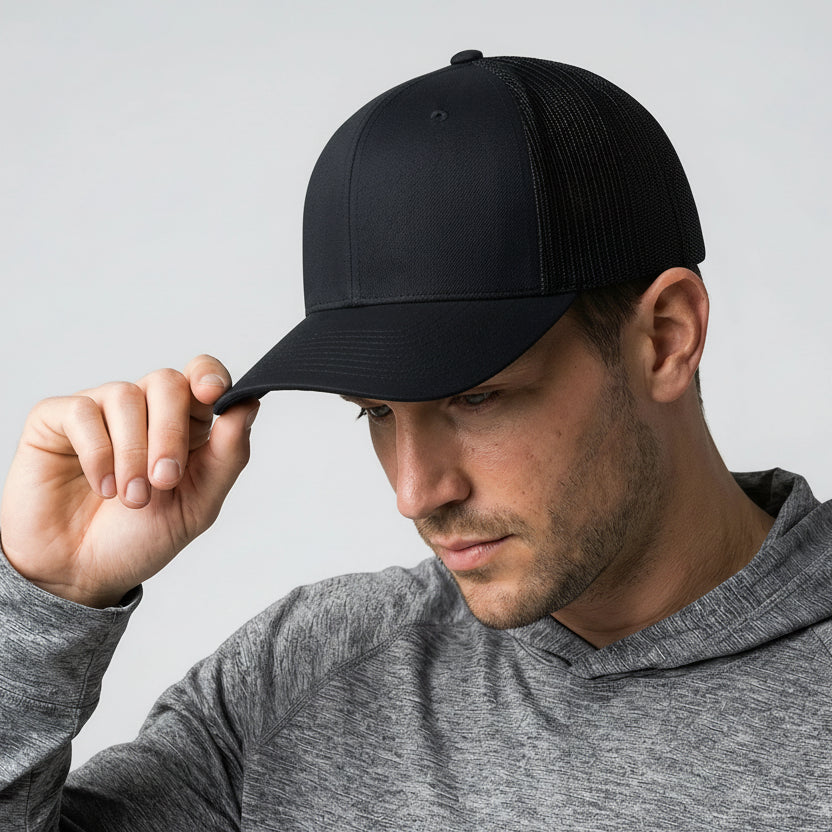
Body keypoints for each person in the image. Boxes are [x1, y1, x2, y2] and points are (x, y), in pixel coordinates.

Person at [1, 50, 830, 830]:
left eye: (477, 396)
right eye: (377, 412)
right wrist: (44, 603)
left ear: (665, 338)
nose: (415, 493)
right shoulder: (303, 678)